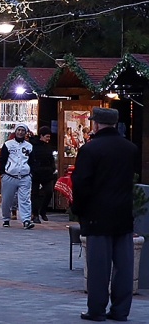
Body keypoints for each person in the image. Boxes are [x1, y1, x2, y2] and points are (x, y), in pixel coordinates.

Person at [72, 107, 138, 322]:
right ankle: (120, 310)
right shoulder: (130, 148)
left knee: (99, 267)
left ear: (96, 124)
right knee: (125, 266)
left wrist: (79, 211)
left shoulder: (90, 149)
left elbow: (80, 184)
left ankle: (97, 310)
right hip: (123, 213)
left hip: (97, 214)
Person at [0, 122, 34, 230]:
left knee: (25, 199)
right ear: (15, 131)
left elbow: (32, 161)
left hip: (24, 176)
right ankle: (6, 218)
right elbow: (3, 159)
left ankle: (26, 220)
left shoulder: (29, 146)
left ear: (25, 132)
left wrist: (31, 173)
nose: (20, 132)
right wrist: (2, 173)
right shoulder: (8, 144)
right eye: (18, 130)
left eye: (22, 130)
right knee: (7, 199)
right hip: (10, 175)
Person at [29, 126, 55, 224]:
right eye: (47, 137)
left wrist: (52, 168)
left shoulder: (48, 146)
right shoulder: (33, 145)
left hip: (47, 173)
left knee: (49, 192)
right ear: (41, 136)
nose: (48, 139)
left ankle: (43, 210)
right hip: (36, 173)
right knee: (34, 194)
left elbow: (51, 158)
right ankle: (35, 214)